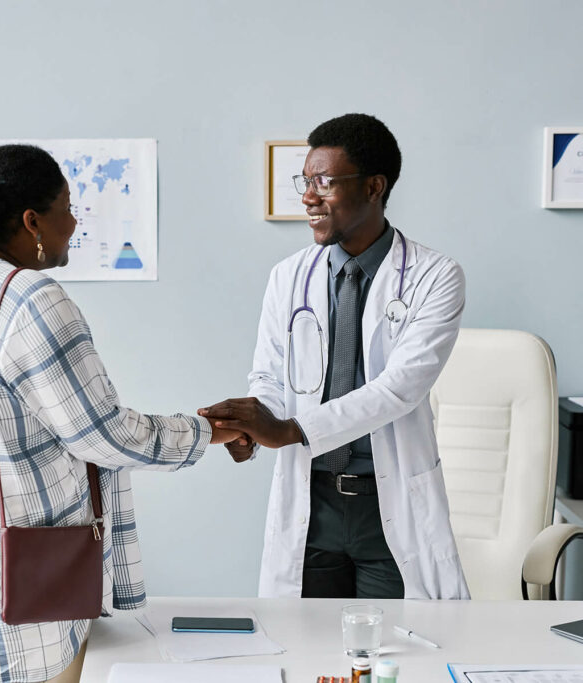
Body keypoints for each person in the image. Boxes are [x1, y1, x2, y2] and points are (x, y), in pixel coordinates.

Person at [0, 145, 241, 683]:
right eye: (68, 207)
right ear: (33, 222)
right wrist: (212, 429)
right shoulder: (28, 298)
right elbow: (106, 436)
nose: (74, 222)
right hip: (15, 610)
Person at [200, 114, 470, 600]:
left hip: (387, 509)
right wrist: (254, 425)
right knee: (306, 653)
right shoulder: (288, 276)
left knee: (400, 656)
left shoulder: (436, 276)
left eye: (324, 182)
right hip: (313, 500)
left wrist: (288, 431)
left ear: (373, 187)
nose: (308, 196)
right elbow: (270, 375)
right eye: (305, 181)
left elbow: (398, 389)